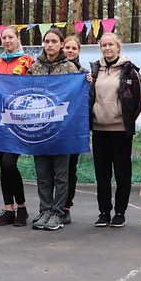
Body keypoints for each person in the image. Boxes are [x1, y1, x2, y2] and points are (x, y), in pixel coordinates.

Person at [27, 28, 81, 231]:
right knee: (42, 173)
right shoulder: (35, 67)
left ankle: (58, 212)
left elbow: (78, 96)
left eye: (54, 41)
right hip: (39, 129)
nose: (49, 45)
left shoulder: (70, 68)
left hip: (62, 130)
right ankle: (45, 210)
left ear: (61, 44)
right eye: (46, 41)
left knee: (61, 174)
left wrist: (87, 82)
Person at [90, 32, 141, 229]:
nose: (107, 48)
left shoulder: (130, 70)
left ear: (118, 47)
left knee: (122, 173)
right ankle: (104, 211)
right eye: (104, 45)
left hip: (120, 129)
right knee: (102, 173)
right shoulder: (95, 69)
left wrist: (128, 120)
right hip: (99, 128)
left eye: (111, 44)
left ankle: (120, 212)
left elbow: (137, 99)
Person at [0, 26, 34, 226]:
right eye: (3, 37)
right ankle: (8, 210)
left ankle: (22, 208)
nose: (6, 40)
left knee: (8, 164)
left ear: (18, 38)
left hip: (18, 123)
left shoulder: (28, 61)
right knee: (2, 167)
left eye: (10, 37)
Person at [61, 35, 89, 224]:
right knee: (52, 170)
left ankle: (66, 206)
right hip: (54, 126)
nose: (70, 51)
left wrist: (90, 83)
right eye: (67, 48)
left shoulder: (83, 73)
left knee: (70, 168)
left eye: (74, 48)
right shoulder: (53, 70)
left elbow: (89, 100)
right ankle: (51, 205)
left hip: (74, 128)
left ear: (79, 51)